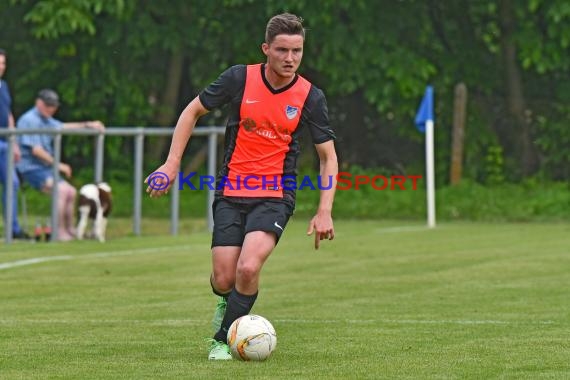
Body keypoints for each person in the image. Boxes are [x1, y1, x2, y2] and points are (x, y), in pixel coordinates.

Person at [146, 13, 338, 360]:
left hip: (275, 196)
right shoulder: (239, 79)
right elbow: (191, 112)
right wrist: (172, 164)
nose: (290, 58)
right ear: (266, 48)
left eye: (297, 50)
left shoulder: (310, 96)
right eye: (282, 50)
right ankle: (229, 304)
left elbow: (328, 157)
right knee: (223, 278)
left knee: (248, 268)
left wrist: (324, 210)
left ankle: (223, 339)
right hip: (231, 192)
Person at [16, 89, 105, 241]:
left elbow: (63, 126)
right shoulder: (29, 120)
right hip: (31, 168)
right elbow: (36, 150)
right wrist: (59, 165)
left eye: (54, 106)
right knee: (62, 191)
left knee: (71, 191)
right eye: (48, 105)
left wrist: (88, 124)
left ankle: (69, 230)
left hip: (46, 168)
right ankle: (59, 232)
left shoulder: (46, 119)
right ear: (39, 103)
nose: (51, 109)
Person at [0, 48, 31, 240]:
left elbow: (8, 114)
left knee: (12, 183)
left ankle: (13, 228)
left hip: (4, 142)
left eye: (3, 64)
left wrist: (15, 142)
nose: (1, 67)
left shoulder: (3, 86)